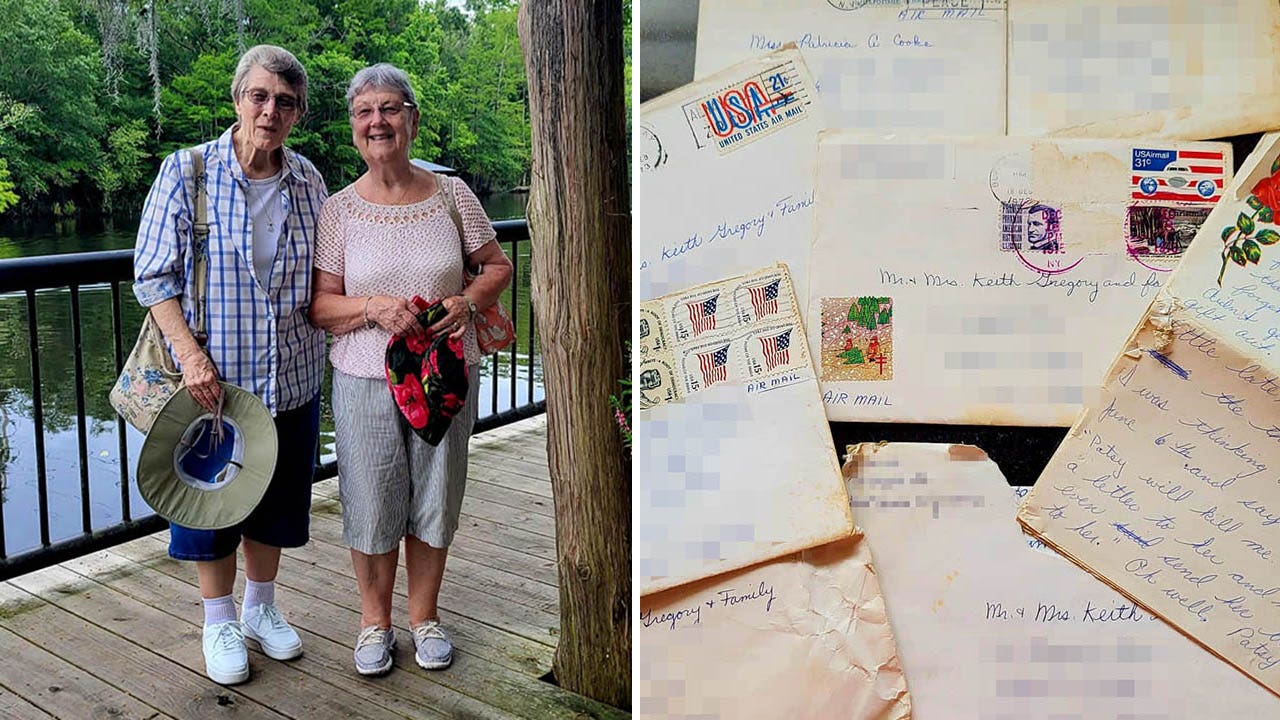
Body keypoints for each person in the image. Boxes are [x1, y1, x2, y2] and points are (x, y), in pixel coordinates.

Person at [309, 63, 513, 676]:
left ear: (413, 120)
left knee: (435, 493)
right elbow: (322, 305)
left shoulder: (453, 196)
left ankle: (424, 618)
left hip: (446, 375)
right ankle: (375, 624)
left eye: (391, 108)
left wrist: (467, 300)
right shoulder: (339, 211)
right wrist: (371, 307)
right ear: (353, 128)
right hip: (365, 378)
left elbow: (496, 266)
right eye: (366, 111)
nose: (379, 121)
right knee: (370, 499)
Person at [132, 45, 327, 685]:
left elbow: (327, 276)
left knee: (271, 500)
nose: (272, 111)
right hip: (213, 383)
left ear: (298, 113)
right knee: (210, 507)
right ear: (238, 99)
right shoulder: (189, 171)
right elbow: (154, 276)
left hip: (291, 375)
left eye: (286, 102)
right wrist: (189, 356)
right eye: (261, 96)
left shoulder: (308, 181)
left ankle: (259, 610)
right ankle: (217, 621)